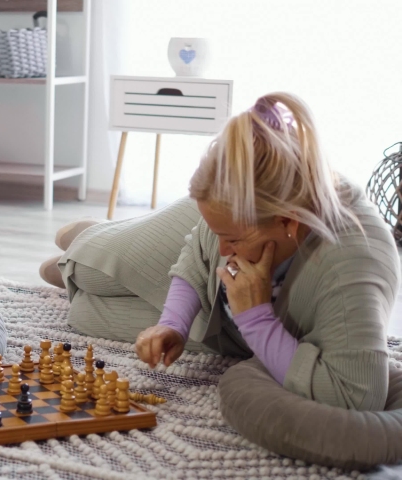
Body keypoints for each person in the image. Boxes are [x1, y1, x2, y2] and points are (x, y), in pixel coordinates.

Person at [43, 92, 399, 413]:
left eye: (233, 240)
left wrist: (256, 319)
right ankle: (88, 235)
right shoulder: (229, 219)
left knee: (81, 312)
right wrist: (173, 324)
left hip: (232, 326)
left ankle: (90, 251)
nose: (224, 251)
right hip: (197, 233)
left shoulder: (353, 265)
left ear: (289, 221)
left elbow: (357, 396)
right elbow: (201, 248)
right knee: (79, 268)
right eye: (221, 238)